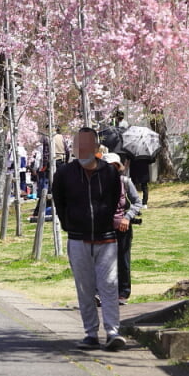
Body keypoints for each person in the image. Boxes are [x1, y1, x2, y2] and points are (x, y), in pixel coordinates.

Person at [52, 126, 127, 351]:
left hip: (106, 239)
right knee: (85, 288)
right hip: (78, 238)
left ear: (96, 148)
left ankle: (113, 332)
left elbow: (115, 199)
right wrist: (69, 224)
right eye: (78, 145)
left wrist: (106, 220)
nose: (82, 150)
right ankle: (91, 333)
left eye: (87, 145)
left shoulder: (110, 172)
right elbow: (59, 201)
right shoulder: (65, 173)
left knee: (109, 287)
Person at [104, 153, 142, 304]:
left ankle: (123, 292)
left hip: (122, 227)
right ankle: (101, 292)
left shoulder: (125, 182)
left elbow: (137, 202)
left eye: (114, 166)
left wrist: (127, 217)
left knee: (123, 261)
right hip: (103, 228)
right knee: (102, 261)